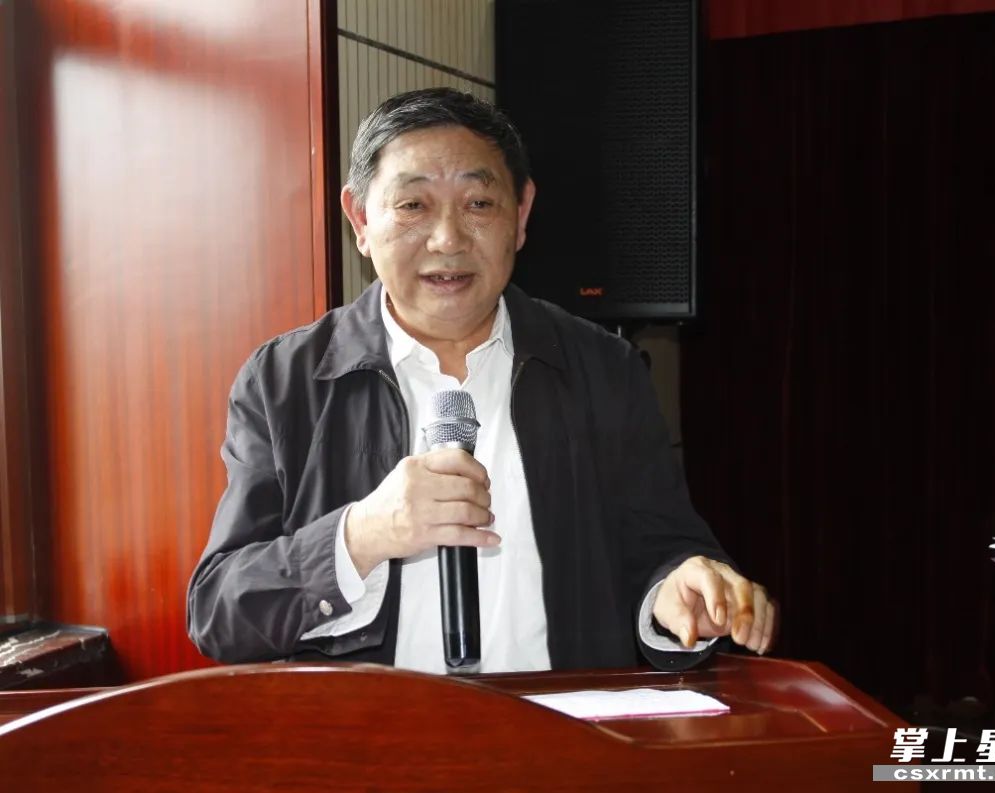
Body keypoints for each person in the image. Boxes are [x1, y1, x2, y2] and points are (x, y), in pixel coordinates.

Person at [186, 88, 776, 673]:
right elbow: (218, 612)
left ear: (520, 214)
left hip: (556, 722)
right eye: (413, 205)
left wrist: (677, 592)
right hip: (368, 729)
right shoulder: (285, 382)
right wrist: (362, 535)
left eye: (478, 203)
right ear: (360, 219)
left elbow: (661, 549)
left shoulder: (604, 369)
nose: (448, 239)